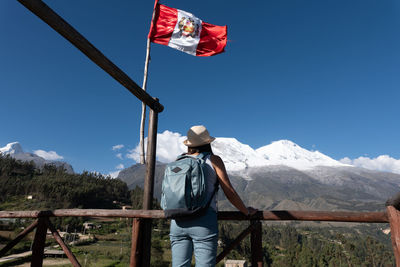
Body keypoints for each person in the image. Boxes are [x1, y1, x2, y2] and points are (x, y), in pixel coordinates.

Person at [170, 125, 257, 267]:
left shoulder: (178, 161)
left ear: (189, 144)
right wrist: (246, 211)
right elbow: (229, 192)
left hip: (177, 221)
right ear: (208, 142)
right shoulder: (214, 160)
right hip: (203, 222)